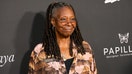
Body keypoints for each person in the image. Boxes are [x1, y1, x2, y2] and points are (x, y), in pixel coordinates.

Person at [28, 2, 97, 74]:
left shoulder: (85, 48)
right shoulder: (40, 51)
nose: (69, 23)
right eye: (63, 19)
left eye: (72, 19)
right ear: (53, 21)